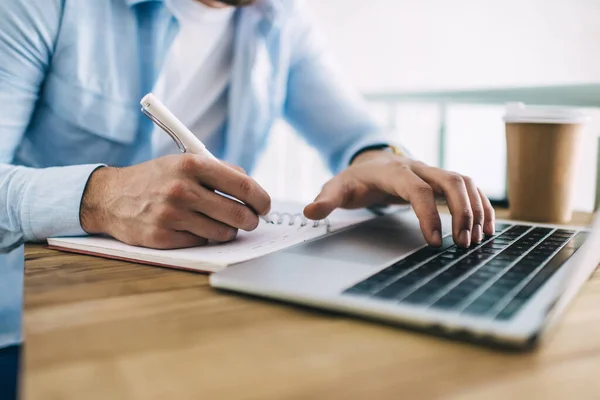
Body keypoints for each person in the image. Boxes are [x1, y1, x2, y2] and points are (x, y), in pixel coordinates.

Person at [0, 0, 495, 250]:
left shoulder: (280, 19)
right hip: (35, 310)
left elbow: (354, 135)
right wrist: (101, 198)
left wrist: (378, 160)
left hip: (189, 296)